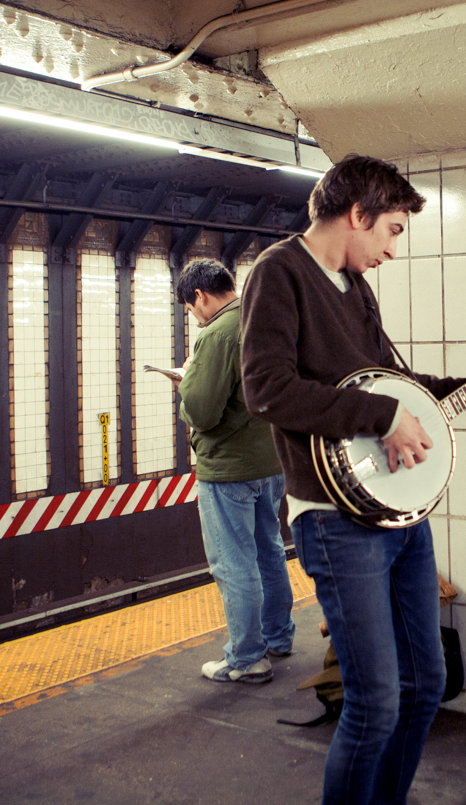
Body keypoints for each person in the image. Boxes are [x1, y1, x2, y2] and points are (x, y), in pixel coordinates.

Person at [239, 154, 466, 805]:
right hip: (333, 518)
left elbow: (398, 389)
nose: (392, 251)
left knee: (425, 684)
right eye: (392, 231)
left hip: (398, 517)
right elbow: (266, 390)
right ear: (357, 215)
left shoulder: (354, 287)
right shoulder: (279, 273)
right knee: (373, 702)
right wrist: (382, 415)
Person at [176, 258, 296, 683]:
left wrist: (185, 385)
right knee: (270, 550)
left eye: (191, 310)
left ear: (200, 297)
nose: (195, 317)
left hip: (229, 470)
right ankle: (278, 636)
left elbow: (203, 411)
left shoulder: (218, 333)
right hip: (272, 460)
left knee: (234, 563)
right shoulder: (263, 318)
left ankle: (247, 658)